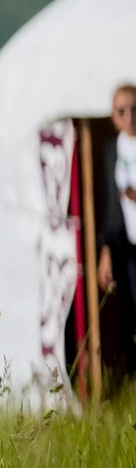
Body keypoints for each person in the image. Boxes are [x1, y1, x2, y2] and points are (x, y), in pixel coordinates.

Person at [99, 82, 136, 371]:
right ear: (113, 115)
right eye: (122, 111)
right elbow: (111, 208)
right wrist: (106, 251)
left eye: (135, 109)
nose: (129, 117)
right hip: (128, 246)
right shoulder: (112, 150)